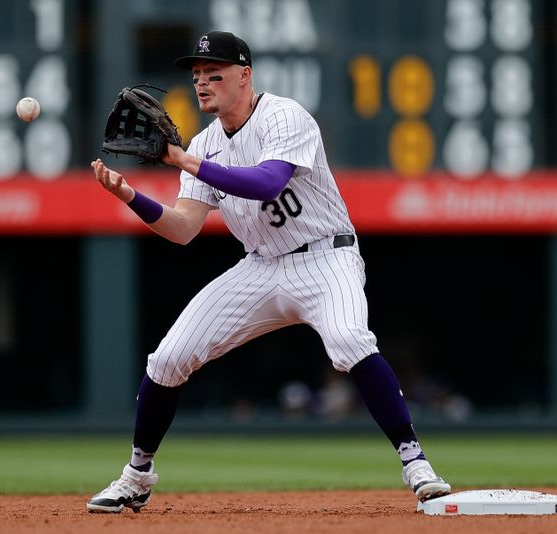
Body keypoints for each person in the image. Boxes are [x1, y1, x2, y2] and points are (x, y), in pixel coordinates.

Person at [86, 30, 451, 513]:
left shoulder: (284, 116)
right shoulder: (204, 143)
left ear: (245, 75)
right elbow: (181, 230)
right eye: (196, 75)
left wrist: (183, 160)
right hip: (260, 267)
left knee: (348, 341)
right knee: (167, 359)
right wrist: (131, 197)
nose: (202, 83)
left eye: (214, 73)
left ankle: (416, 464)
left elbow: (266, 182)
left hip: (326, 257)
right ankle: (136, 477)